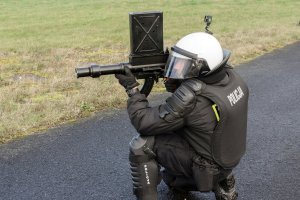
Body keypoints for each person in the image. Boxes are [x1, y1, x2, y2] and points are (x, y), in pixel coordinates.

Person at [115, 32, 249, 200]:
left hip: (206, 167)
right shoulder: (230, 77)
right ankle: (222, 180)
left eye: (184, 65)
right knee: (170, 179)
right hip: (226, 158)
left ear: (201, 66)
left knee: (142, 145)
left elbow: (143, 121)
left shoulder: (192, 98)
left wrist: (132, 88)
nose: (179, 68)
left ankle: (209, 180)